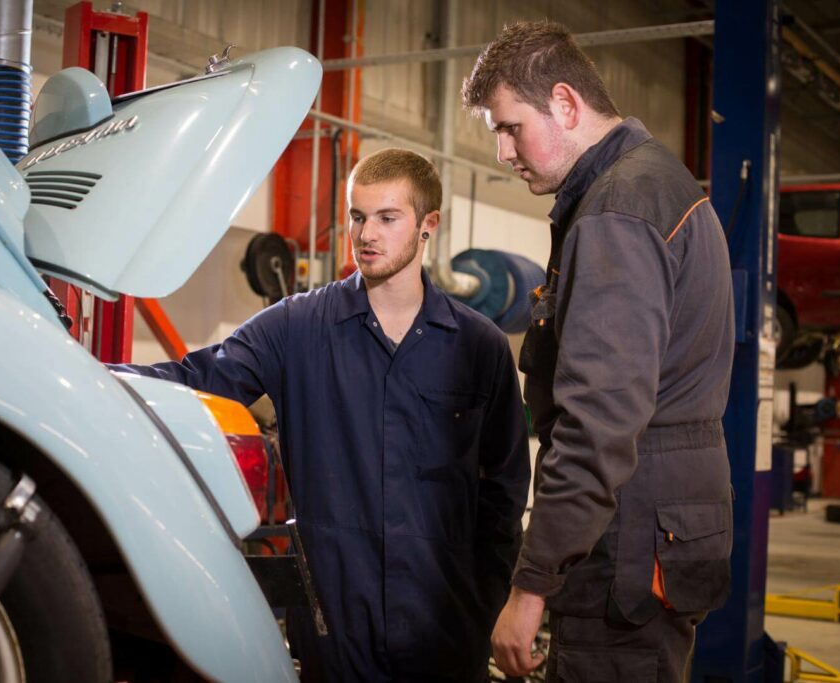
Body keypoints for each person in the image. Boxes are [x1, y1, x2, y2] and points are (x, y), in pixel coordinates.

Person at [111, 148, 530, 681]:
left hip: (446, 631)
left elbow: (505, 488)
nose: (367, 234)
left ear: (429, 225)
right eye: (357, 216)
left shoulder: (479, 346)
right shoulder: (298, 327)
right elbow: (199, 377)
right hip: (336, 631)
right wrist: (80, 371)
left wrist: (485, 600)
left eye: (387, 217)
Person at [460, 20, 735, 682]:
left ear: (564, 102)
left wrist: (531, 586)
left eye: (509, 127)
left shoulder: (616, 210)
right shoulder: (661, 183)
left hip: (624, 542)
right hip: (663, 526)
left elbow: (598, 424)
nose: (502, 152)